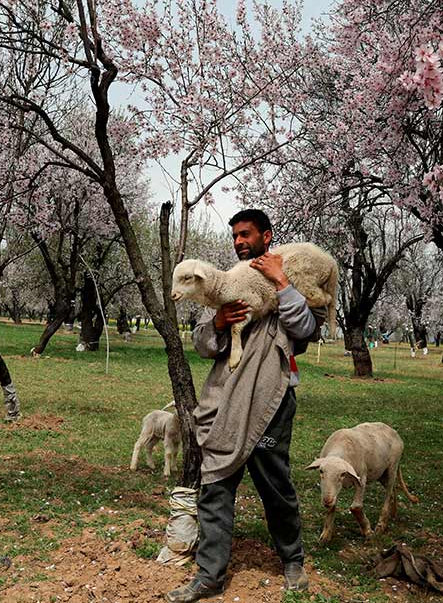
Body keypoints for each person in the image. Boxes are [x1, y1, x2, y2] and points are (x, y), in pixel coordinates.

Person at [166, 209, 324, 603]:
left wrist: (282, 282)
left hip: (270, 400)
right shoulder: (229, 284)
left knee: (275, 484)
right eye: (235, 235)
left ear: (266, 237)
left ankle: (292, 561)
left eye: (246, 234)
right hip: (225, 400)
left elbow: (306, 330)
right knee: (215, 485)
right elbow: (204, 345)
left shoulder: (295, 277)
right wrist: (219, 323)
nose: (238, 241)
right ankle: (210, 575)